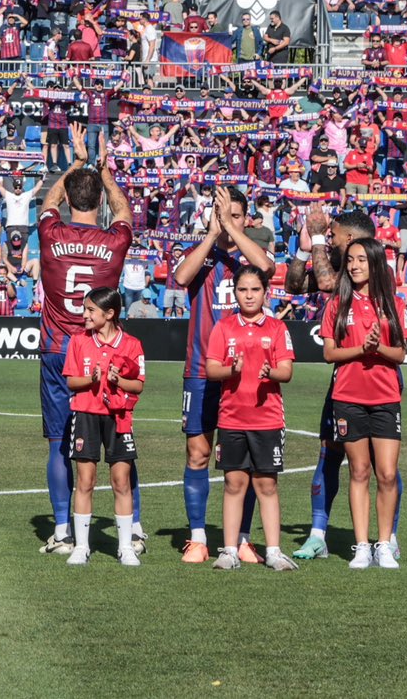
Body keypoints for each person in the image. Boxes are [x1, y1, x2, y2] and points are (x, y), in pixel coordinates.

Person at [32, 135, 136, 555]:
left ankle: (62, 529)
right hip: (104, 351)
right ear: (101, 201)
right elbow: (126, 212)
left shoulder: (51, 233)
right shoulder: (114, 241)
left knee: (60, 441)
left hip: (59, 350)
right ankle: (136, 527)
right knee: (120, 440)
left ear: (71, 195)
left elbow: (46, 203)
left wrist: (74, 165)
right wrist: (106, 174)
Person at [290, 204, 402, 562]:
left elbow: (324, 282)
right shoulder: (347, 273)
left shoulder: (380, 273)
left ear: (352, 240)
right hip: (347, 383)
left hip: (381, 381)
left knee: (384, 467)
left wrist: (320, 235)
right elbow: (295, 284)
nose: (332, 241)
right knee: (333, 454)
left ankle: (388, 537)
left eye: (335, 236)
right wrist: (304, 247)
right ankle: (320, 534)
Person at [170, 183, 275, 562]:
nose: (226, 221)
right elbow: (181, 278)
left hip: (246, 374)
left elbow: (266, 268)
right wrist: (213, 233)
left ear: (246, 218)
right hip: (201, 370)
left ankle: (243, 538)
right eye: (221, 214)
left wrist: (231, 231)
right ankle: (198, 536)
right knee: (197, 452)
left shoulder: (252, 258)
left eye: (234, 215)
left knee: (243, 460)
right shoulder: (202, 255)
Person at [318, 238, 407, 570]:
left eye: (361, 260)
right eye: (350, 260)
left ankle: (384, 544)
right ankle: (361, 546)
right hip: (348, 399)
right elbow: (329, 354)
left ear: (374, 263)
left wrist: (378, 348)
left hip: (386, 399)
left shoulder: (394, 304)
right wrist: (362, 350)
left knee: (386, 474)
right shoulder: (336, 305)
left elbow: (400, 353)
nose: (354, 266)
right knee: (359, 471)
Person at [204, 266, 298, 571]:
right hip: (232, 419)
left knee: (267, 485)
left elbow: (287, 371)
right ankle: (229, 550)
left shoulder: (276, 329)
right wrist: (232, 370)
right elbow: (211, 369)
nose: (248, 295)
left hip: (267, 420)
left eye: (255, 290)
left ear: (265, 292)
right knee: (233, 483)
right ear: (235, 293)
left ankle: (273, 551)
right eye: (243, 290)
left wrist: (271, 372)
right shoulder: (223, 327)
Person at [62, 284, 146, 566]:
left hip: (119, 417)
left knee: (121, 481)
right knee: (85, 481)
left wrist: (117, 381)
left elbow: (139, 385)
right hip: (85, 414)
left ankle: (125, 547)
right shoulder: (78, 341)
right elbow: (72, 381)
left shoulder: (132, 344)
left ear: (109, 313)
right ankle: (81, 546)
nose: (84, 314)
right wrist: (93, 379)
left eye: (90, 310)